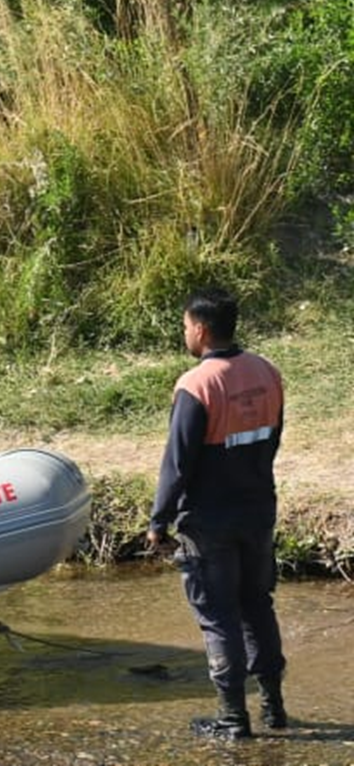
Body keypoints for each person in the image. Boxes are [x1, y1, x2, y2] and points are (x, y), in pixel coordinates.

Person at [146, 287, 287, 739]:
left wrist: (158, 521)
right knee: (257, 605)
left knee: (219, 615)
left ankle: (232, 718)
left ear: (201, 330)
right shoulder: (267, 372)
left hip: (210, 522)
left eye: (186, 325)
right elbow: (272, 441)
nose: (184, 332)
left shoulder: (196, 386)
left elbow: (177, 462)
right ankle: (274, 708)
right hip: (258, 511)